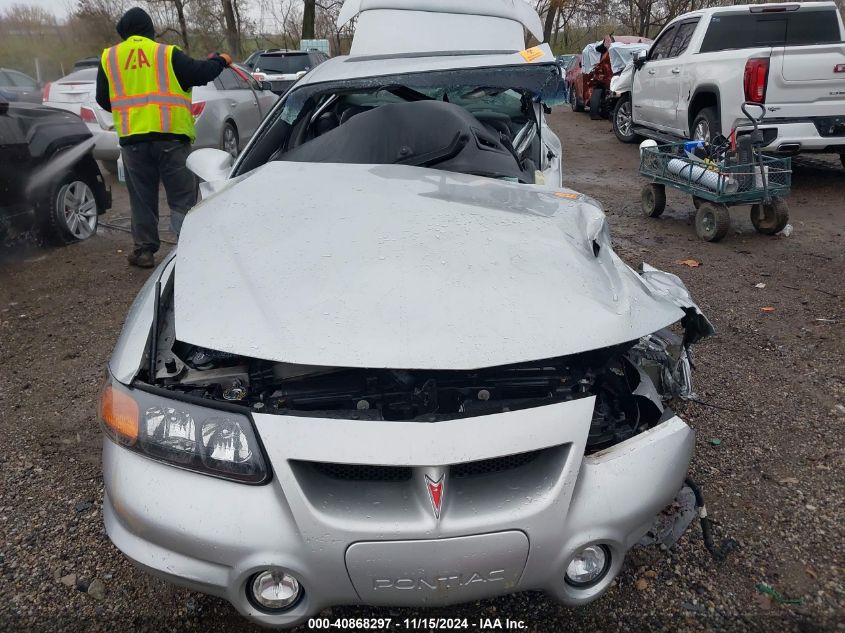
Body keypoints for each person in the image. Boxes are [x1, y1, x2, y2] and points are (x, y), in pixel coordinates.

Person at [96, 7, 232, 268]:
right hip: (171, 138)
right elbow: (201, 73)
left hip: (133, 141)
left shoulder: (110, 57)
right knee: (182, 197)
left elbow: (104, 98)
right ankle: (188, 248)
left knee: (141, 198)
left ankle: (144, 251)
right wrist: (220, 60)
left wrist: (134, 112)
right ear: (149, 30)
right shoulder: (165, 53)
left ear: (124, 32)